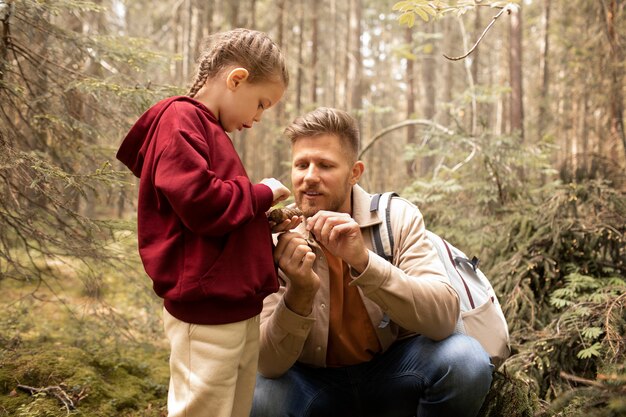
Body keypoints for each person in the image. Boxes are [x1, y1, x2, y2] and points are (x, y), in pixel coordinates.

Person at [250, 107, 494, 417]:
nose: (310, 176)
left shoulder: (395, 218)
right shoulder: (274, 239)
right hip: (312, 384)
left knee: (466, 360)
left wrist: (364, 262)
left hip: (394, 371)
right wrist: (299, 293)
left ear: (354, 173)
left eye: (325, 165)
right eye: (302, 164)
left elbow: (444, 317)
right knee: (259, 395)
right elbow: (268, 365)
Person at [116, 28, 299, 417]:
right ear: (236, 80)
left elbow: (213, 220)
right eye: (261, 104)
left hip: (236, 307)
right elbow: (201, 204)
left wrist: (262, 221)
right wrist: (261, 191)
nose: (258, 118)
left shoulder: (208, 129)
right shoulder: (180, 119)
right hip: (206, 312)